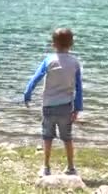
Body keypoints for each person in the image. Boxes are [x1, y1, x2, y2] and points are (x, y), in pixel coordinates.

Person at [24, 28, 83, 176]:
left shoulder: (49, 60)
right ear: (71, 44)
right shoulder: (75, 63)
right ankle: (70, 167)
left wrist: (27, 94)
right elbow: (79, 88)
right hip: (66, 107)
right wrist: (77, 108)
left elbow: (35, 78)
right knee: (67, 138)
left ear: (53, 44)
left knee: (47, 137)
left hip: (48, 106)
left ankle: (46, 167)